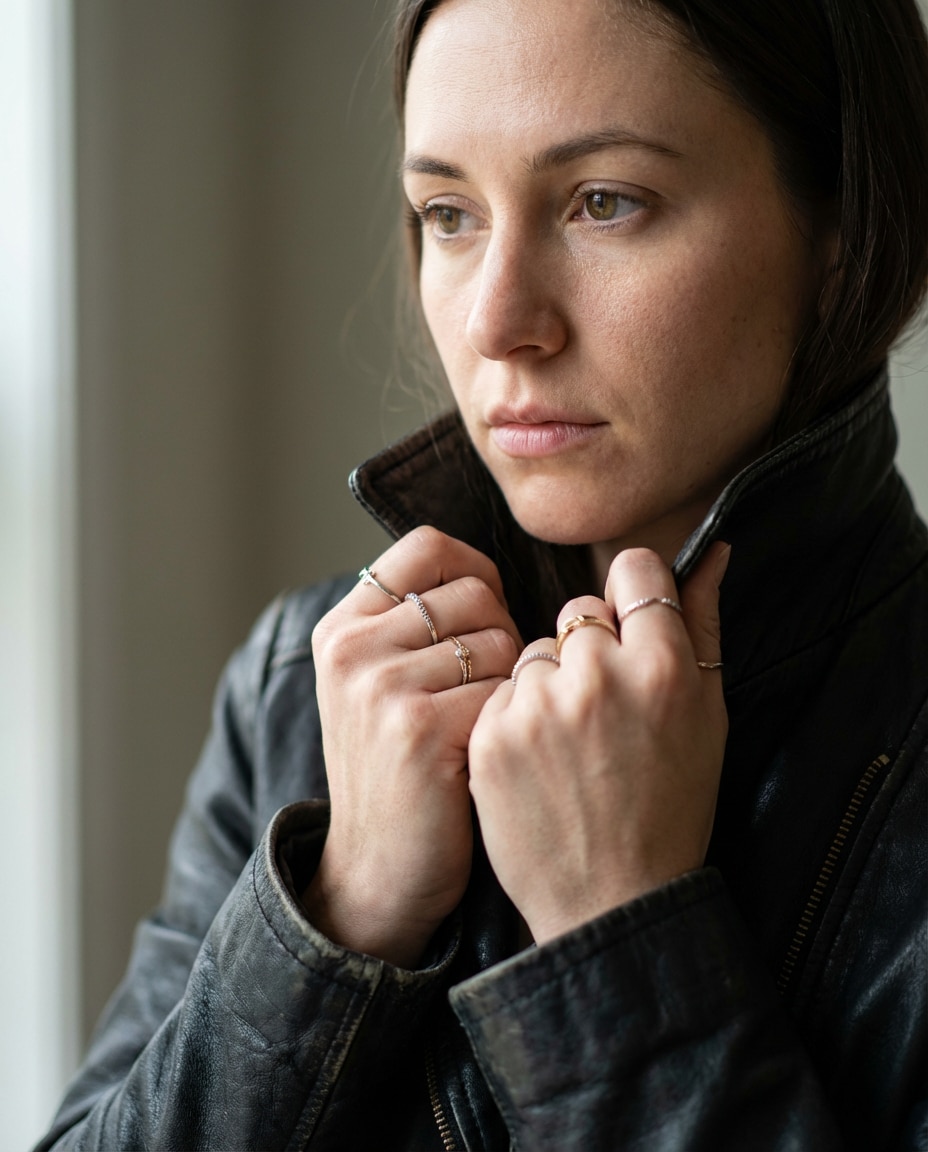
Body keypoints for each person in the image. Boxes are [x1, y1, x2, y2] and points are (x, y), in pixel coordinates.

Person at [38, 0, 927, 1148]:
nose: (496, 320)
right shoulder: (303, 689)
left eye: (604, 201)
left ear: (844, 226)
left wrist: (618, 937)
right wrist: (339, 913)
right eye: (448, 214)